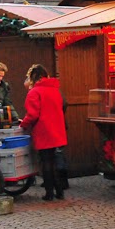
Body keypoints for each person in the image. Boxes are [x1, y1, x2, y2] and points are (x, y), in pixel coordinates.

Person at [19, 64, 68, 201]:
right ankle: (59, 191)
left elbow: (33, 114)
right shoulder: (55, 90)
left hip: (43, 130)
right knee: (54, 161)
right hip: (56, 129)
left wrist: (23, 124)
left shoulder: (34, 92)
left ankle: (49, 193)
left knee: (46, 162)